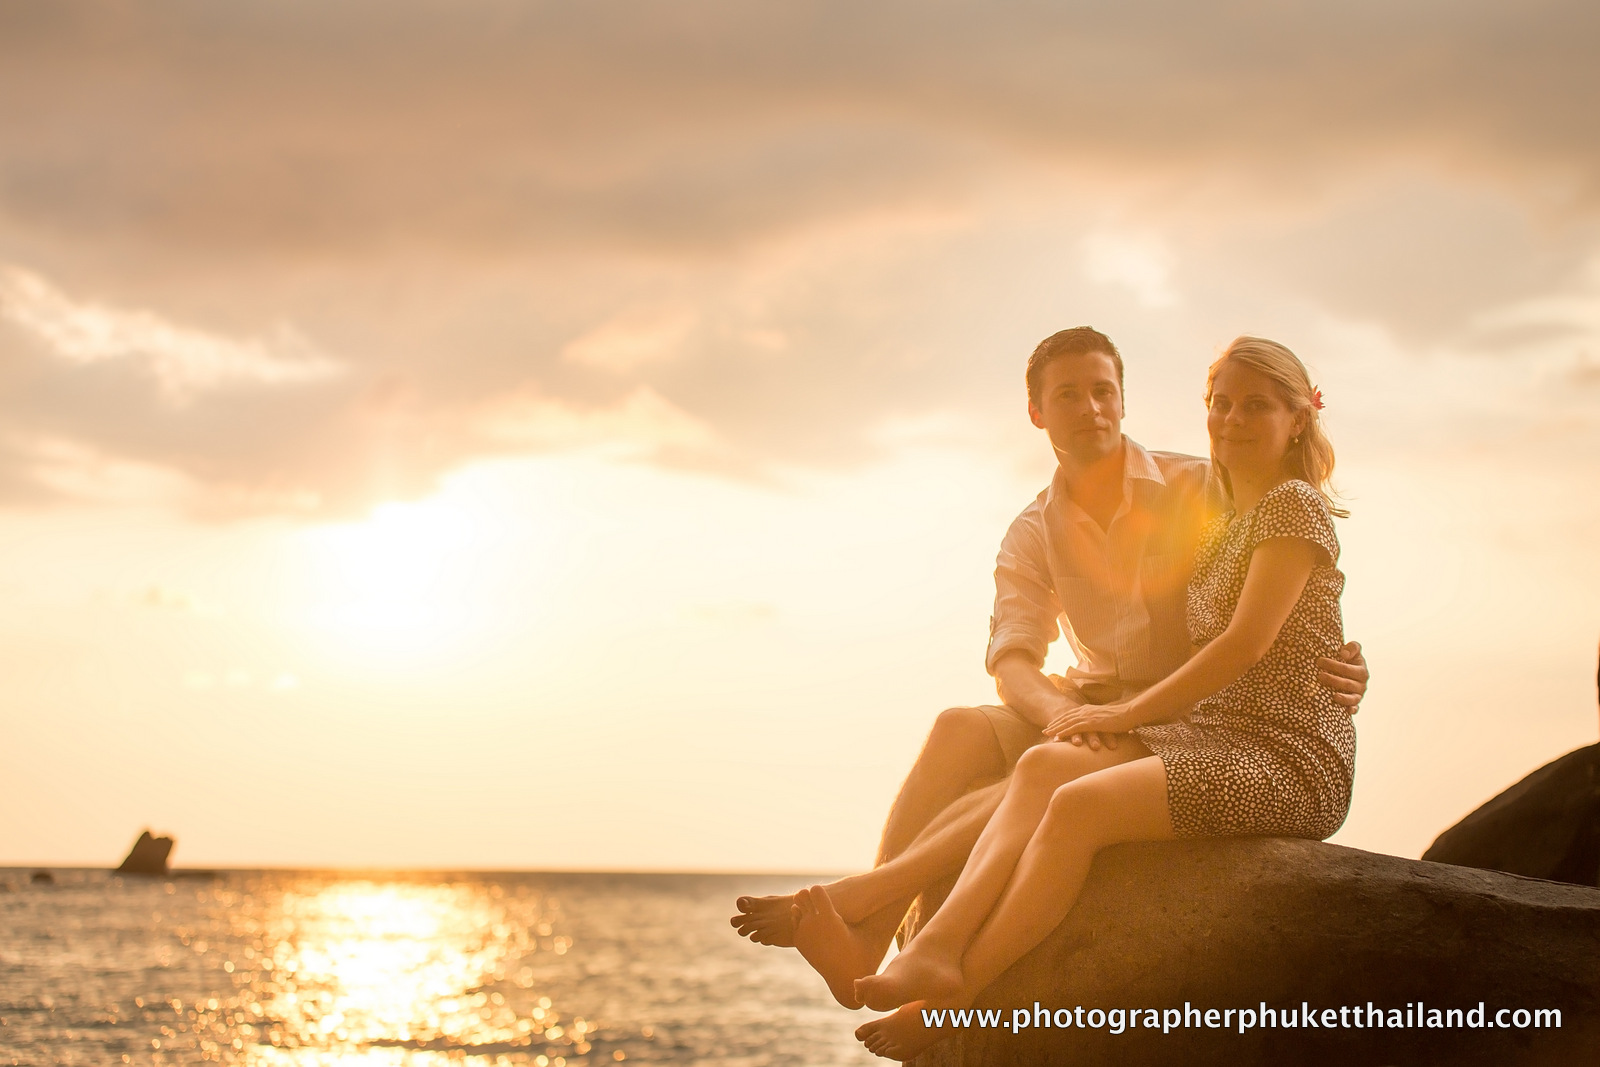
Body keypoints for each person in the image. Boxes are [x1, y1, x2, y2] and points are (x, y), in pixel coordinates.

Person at [730, 329, 1368, 1011]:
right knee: (957, 728)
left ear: (1123, 400)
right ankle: (870, 936)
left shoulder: (1202, 488)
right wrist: (1064, 715)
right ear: (1036, 412)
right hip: (1090, 702)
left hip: (1184, 713)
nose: (1090, 408)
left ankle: (869, 905)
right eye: (1068, 395)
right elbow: (1012, 656)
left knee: (1053, 768)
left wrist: (1344, 661)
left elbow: (1281, 599)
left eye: (1103, 391)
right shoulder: (1032, 529)